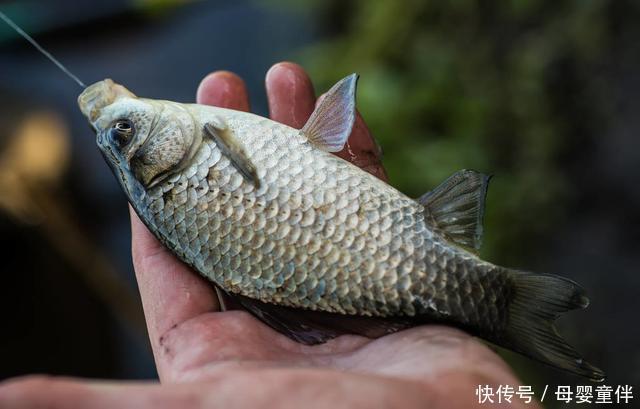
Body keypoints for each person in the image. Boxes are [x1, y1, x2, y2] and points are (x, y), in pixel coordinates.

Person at [0, 62, 535, 409]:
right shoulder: (197, 147)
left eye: (122, 133)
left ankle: (496, 304)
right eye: (124, 135)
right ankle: (502, 305)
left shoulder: (190, 156)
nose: (122, 123)